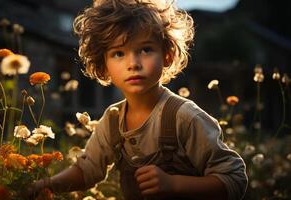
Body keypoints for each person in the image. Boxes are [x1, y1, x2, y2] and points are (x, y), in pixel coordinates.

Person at [25, 0, 248, 199]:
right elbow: (86, 171)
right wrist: (45, 186)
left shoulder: (184, 117)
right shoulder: (112, 121)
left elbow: (235, 179)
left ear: (167, 55)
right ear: (104, 64)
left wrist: (174, 184)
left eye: (146, 49)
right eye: (119, 53)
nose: (133, 63)